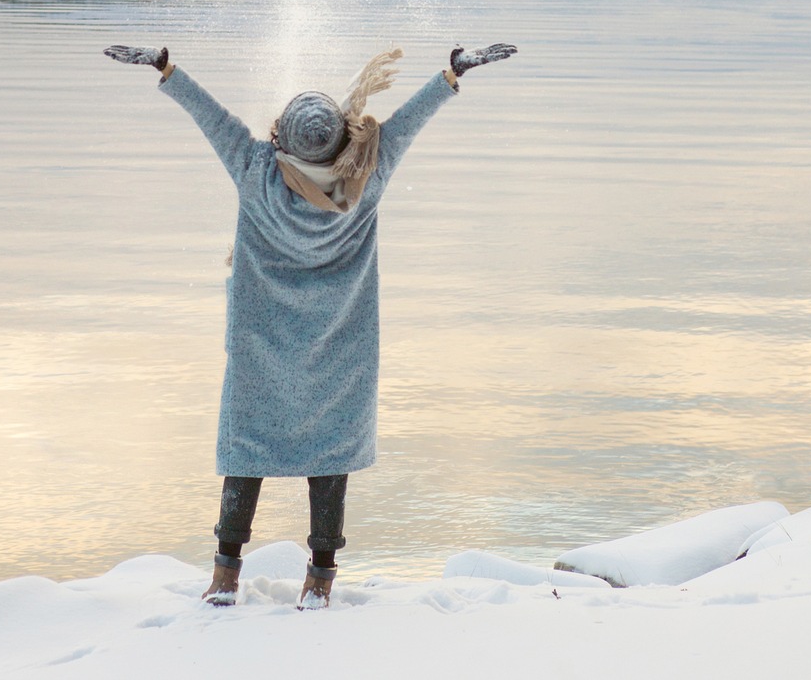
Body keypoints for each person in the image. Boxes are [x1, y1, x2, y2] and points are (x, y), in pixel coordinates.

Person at [103, 41, 516, 609]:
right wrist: (450, 74)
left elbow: (211, 118)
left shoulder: (254, 173)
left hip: (260, 347)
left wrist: (166, 68)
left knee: (247, 450)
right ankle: (320, 582)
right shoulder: (366, 180)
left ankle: (225, 577)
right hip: (339, 349)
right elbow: (407, 124)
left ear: (280, 140)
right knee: (330, 456)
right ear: (343, 141)